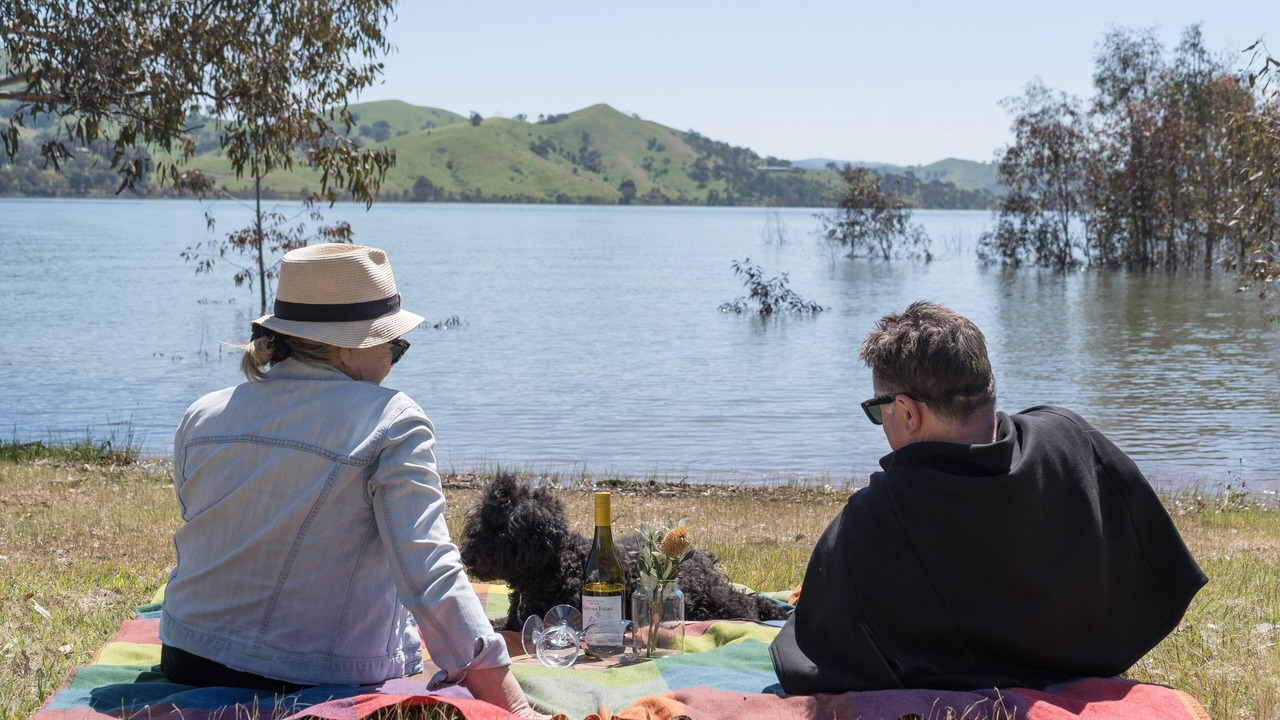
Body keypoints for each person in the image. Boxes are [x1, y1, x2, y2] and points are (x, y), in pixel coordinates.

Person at [159, 243, 545, 718]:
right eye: (395, 347)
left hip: (187, 653)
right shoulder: (391, 421)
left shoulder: (202, 414)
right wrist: (515, 708)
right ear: (346, 346)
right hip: (308, 671)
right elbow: (428, 570)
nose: (395, 360)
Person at [770, 301, 1207, 695]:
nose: (881, 422)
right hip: (1089, 661)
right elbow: (1154, 562)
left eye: (878, 410)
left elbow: (815, 660)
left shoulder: (875, 520)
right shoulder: (1070, 439)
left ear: (906, 411)